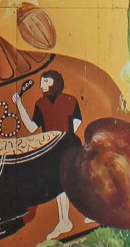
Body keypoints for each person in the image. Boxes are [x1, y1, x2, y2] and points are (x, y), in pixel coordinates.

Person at [12, 68, 82, 237]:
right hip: (51, 150)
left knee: (73, 180)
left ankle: (78, 215)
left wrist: (65, 138)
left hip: (67, 146)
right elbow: (32, 127)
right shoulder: (40, 104)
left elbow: (77, 121)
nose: (41, 86)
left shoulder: (70, 100)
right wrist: (19, 104)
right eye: (41, 82)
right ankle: (64, 221)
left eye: (45, 82)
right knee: (60, 185)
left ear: (54, 83)